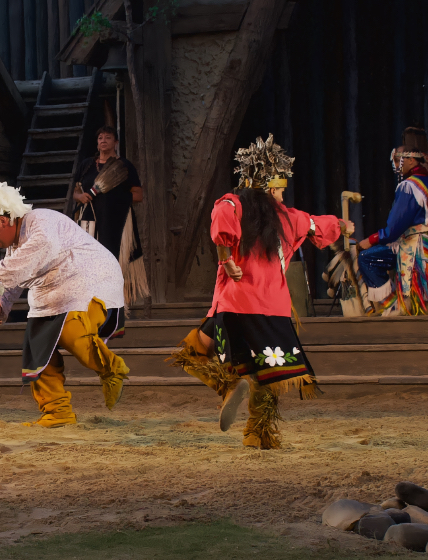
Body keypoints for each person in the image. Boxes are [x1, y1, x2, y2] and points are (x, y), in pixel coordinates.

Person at [169, 135, 352, 449]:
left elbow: (223, 218)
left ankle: (227, 384)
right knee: (270, 374)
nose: (282, 195)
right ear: (269, 187)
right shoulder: (289, 218)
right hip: (273, 312)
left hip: (233, 306)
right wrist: (343, 225)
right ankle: (257, 433)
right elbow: (317, 225)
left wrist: (226, 259)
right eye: (280, 189)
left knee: (193, 351)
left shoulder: (232, 204)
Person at [0, 174, 130, 428]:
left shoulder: (41, 221)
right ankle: (57, 412)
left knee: (70, 331)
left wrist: (0, 269)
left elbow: (38, 250)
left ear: (4, 219)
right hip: (54, 292)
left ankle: (111, 368)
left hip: (91, 280)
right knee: (39, 346)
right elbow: (15, 275)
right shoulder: (14, 246)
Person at [71, 126, 148, 306]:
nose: (103, 140)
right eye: (100, 138)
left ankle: (113, 304)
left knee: (115, 260)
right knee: (90, 261)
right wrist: (80, 196)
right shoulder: (87, 165)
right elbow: (74, 191)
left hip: (117, 220)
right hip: (89, 219)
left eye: (108, 137)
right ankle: (90, 302)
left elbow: (138, 195)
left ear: (116, 142)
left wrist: (117, 196)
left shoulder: (124, 166)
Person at [356, 128, 428, 315]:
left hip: (416, 246)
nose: (396, 165)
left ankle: (393, 304)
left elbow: (394, 228)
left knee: (367, 258)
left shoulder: (409, 186)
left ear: (411, 160)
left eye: (398, 160)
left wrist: (371, 239)